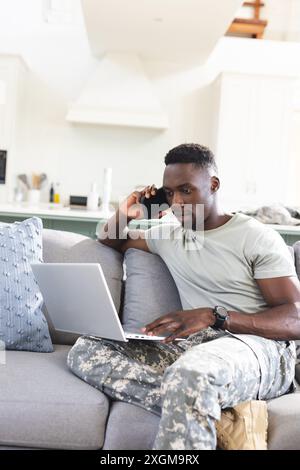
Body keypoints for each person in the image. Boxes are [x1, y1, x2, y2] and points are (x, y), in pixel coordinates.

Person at [67, 143, 300, 450]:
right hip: (196, 347)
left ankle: (194, 396)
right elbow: (111, 239)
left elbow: (294, 318)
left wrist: (215, 316)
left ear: (213, 185)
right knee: (87, 350)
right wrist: (128, 210)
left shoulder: (255, 237)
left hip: (258, 349)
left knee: (190, 375)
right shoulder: (169, 234)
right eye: (169, 193)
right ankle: (206, 407)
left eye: (186, 190)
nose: (177, 202)